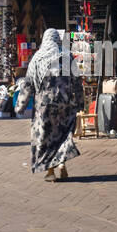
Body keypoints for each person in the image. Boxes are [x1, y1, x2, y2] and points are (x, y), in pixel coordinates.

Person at [26, 28, 80, 181]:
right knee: (63, 134)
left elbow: (29, 82)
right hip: (66, 103)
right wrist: (80, 101)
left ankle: (50, 170)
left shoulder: (38, 57)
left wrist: (21, 104)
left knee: (46, 136)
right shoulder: (67, 56)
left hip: (44, 105)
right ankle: (61, 163)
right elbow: (76, 81)